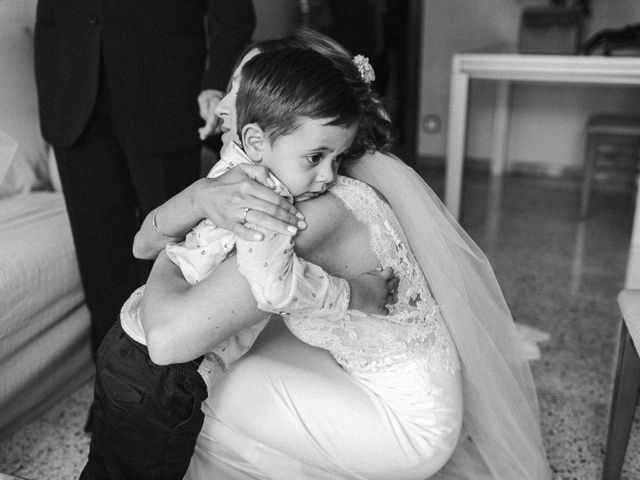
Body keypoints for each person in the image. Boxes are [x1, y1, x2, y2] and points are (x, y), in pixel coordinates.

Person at [137, 29, 552, 480]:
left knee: (196, 390)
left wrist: (179, 246)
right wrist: (199, 200)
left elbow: (165, 339)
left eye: (241, 89)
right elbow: (143, 242)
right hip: (379, 375)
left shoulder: (308, 212)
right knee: (231, 356)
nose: (222, 106)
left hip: (407, 428)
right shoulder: (317, 176)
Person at [79, 47, 399, 480]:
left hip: (123, 340)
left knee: (105, 467)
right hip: (166, 379)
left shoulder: (232, 168)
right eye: (315, 158)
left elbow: (150, 244)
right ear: (255, 141)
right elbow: (274, 287)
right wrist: (359, 293)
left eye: (336, 159)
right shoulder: (268, 205)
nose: (328, 177)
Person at [32, 0, 305, 362]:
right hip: (70, 82)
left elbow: (234, 11)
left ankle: (167, 390)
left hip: (165, 87)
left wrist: (215, 81)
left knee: (178, 253)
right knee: (98, 258)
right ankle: (112, 393)